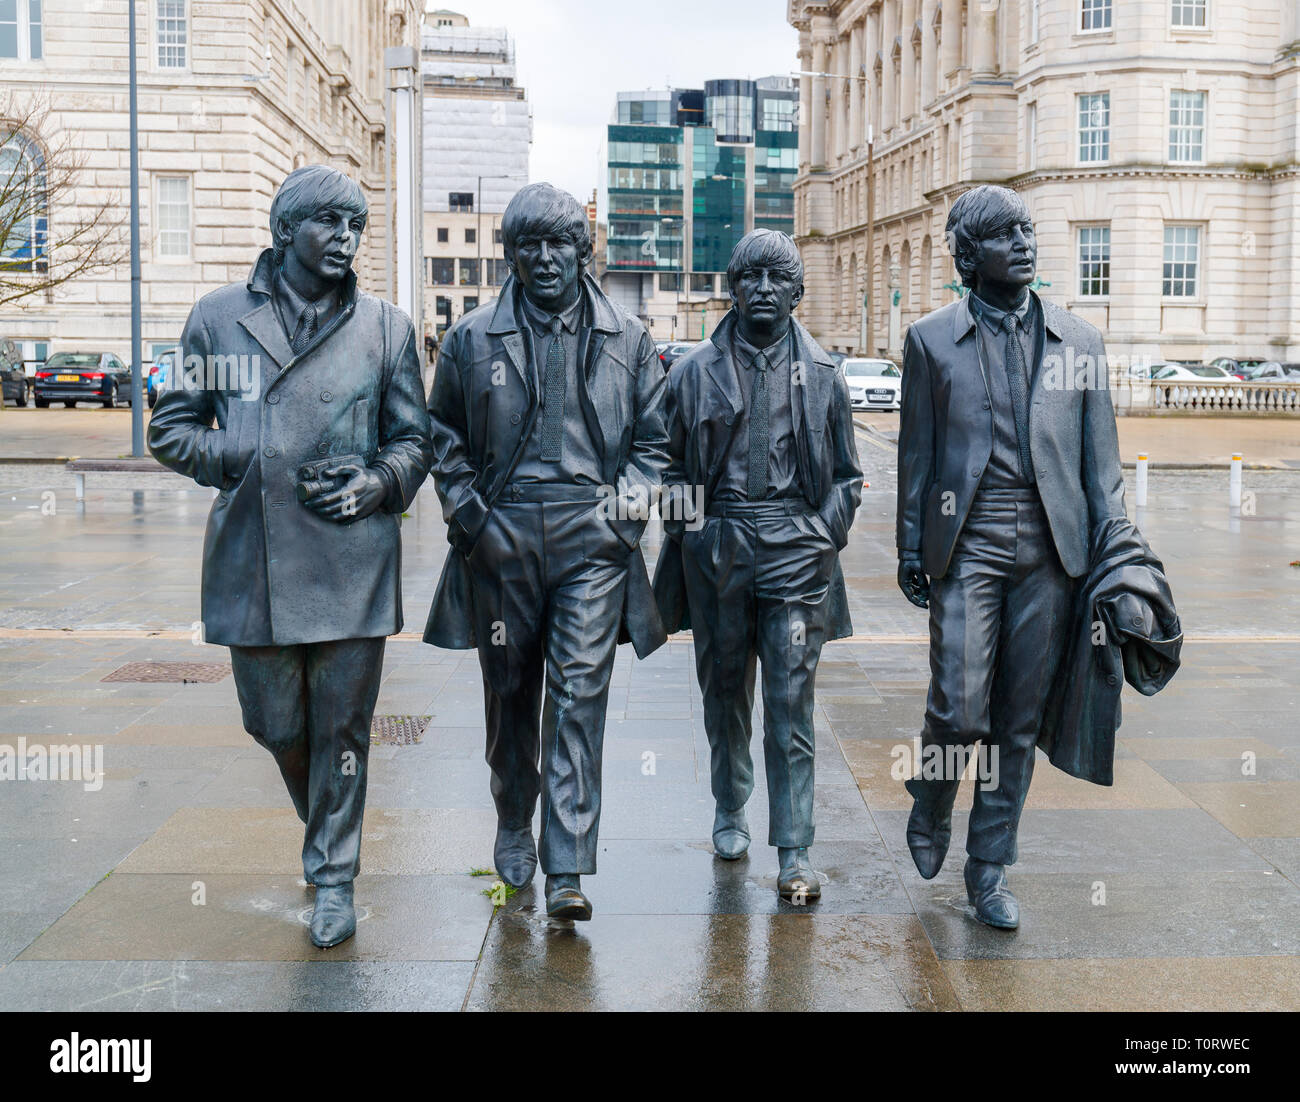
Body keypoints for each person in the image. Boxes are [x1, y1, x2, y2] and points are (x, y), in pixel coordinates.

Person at [148, 165, 433, 948]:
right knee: (274, 723)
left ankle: (334, 875)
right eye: (330, 225)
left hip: (352, 555)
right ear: (284, 232)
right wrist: (243, 449)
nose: (347, 241)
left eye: (357, 228)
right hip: (254, 560)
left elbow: (416, 440)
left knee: (345, 729)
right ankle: (326, 826)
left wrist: (378, 481)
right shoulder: (217, 318)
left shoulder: (385, 327)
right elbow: (171, 429)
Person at [424, 182, 670, 920]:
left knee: (577, 697)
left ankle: (567, 862)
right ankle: (511, 818)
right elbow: (443, 439)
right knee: (510, 695)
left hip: (590, 540)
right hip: (502, 535)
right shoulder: (471, 339)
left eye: (558, 243)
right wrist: (474, 521)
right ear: (510, 255)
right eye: (527, 245)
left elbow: (654, 445)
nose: (543, 258)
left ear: (581, 250)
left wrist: (619, 522)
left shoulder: (628, 337)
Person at [896, 184, 1126, 928]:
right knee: (958, 707)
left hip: (1053, 548)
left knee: (1016, 720)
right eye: (1002, 235)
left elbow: (1103, 470)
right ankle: (932, 794)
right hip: (968, 539)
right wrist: (910, 544)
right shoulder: (931, 340)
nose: (1023, 243)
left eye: (1026, 230)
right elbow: (918, 456)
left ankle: (989, 867)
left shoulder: (1080, 342)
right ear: (969, 255)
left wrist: (1118, 556)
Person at [653, 229, 863, 901]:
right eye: (750, 277)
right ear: (732, 288)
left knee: (789, 702)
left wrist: (818, 534)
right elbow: (665, 465)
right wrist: (696, 533)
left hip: (795, 551)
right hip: (721, 545)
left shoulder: (824, 375)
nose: (763, 289)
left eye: (778, 279)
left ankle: (795, 847)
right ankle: (729, 804)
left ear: (798, 293)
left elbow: (848, 479)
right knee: (725, 695)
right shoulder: (690, 374)